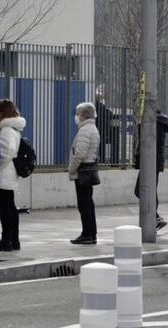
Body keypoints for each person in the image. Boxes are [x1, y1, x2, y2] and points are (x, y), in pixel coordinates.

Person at [0, 98, 26, 252]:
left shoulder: (6, 129)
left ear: (2, 111)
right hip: (7, 173)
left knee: (6, 209)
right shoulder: (10, 128)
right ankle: (13, 240)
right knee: (9, 207)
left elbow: (6, 152)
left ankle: (7, 241)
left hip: (3, 173)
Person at [133, 110, 168, 230]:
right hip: (152, 162)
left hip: (151, 162)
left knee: (142, 190)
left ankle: (154, 218)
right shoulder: (158, 124)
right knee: (147, 190)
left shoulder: (152, 125)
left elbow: (147, 142)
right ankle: (154, 217)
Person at [69, 101, 101, 245]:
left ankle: (87, 233)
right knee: (88, 202)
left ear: (82, 115)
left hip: (83, 171)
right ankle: (90, 233)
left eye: (77, 113)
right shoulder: (92, 128)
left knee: (84, 203)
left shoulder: (85, 130)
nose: (76, 116)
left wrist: (71, 168)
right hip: (89, 169)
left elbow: (80, 153)